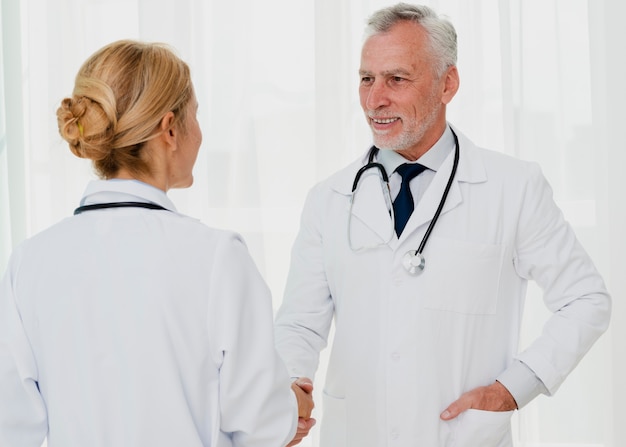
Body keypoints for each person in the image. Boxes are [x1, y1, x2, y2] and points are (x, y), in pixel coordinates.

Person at [275, 3, 611, 446]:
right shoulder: (329, 198)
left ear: (447, 83)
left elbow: (586, 298)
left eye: (397, 79)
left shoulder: (513, 187)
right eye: (366, 79)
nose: (376, 99)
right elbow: (300, 323)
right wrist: (293, 383)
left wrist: (515, 388)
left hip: (459, 435)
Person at [0, 39, 313, 447]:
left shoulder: (30, 261)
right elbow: (261, 425)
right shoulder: (217, 257)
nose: (199, 133)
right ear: (169, 129)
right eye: (195, 116)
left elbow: (11, 425)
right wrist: (294, 405)